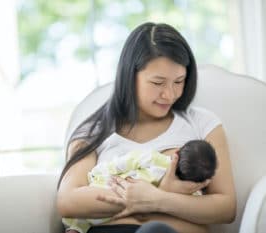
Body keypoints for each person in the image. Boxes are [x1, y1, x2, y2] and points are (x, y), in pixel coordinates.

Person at [57, 22, 236, 233]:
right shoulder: (94, 131)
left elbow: (226, 208)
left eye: (179, 81)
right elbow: (68, 200)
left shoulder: (202, 123)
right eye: (158, 83)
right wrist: (152, 193)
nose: (169, 94)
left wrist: (158, 199)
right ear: (129, 77)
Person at [62, 140, 217, 233]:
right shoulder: (193, 193)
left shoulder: (153, 159)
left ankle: (76, 228)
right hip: (106, 216)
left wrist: (160, 196)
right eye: (157, 82)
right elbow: (69, 202)